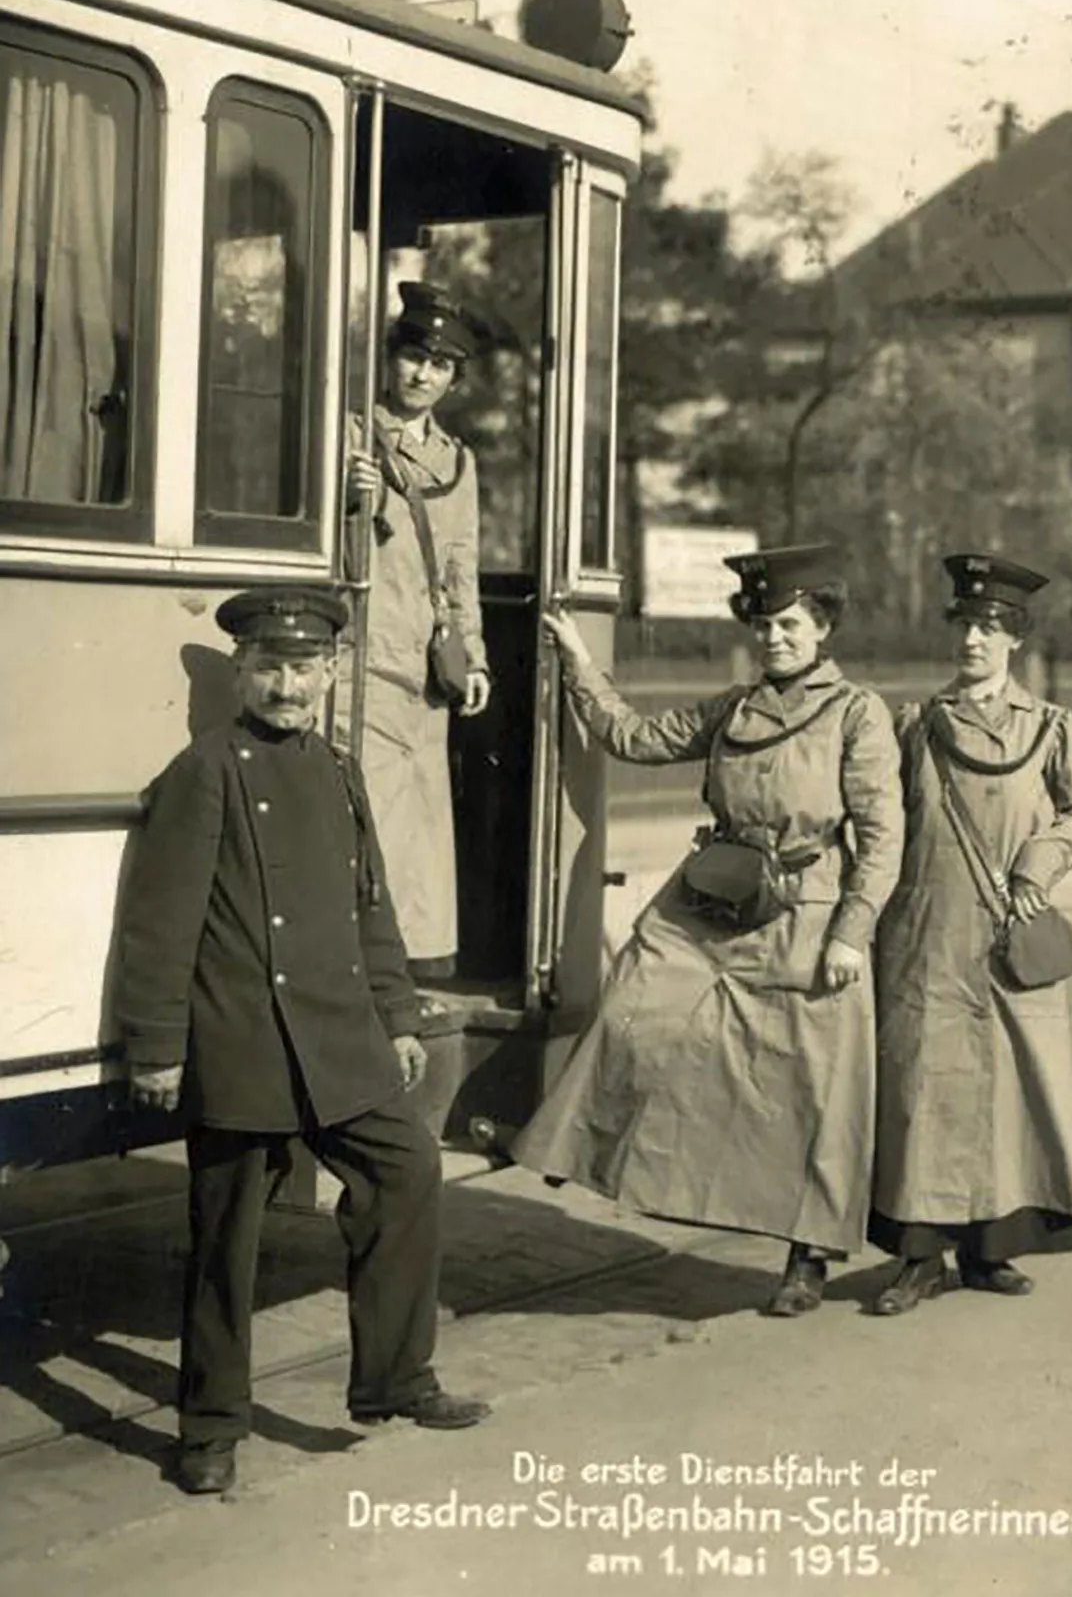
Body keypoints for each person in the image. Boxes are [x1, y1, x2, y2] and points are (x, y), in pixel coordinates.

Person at [115, 586, 489, 1498]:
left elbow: (373, 912)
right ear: (241, 671)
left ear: (330, 674)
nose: (288, 685)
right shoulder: (206, 770)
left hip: (336, 1035)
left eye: (304, 668)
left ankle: (395, 1379)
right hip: (243, 1039)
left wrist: (397, 1016)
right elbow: (160, 924)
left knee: (407, 1169)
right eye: (270, 667)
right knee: (224, 1243)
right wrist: (157, 1044)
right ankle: (209, 1429)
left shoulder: (340, 770)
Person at [512, 544, 904, 1314]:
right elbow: (632, 737)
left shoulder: (857, 713)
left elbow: (883, 837)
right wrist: (577, 662)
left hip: (806, 913)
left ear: (822, 627)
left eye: (790, 624)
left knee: (810, 1090)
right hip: (712, 901)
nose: (774, 638)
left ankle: (807, 1257)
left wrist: (851, 934)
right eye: (764, 625)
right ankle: (592, 1144)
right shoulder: (732, 709)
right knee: (633, 1007)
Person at [869, 553, 1072, 1315]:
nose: (973, 639)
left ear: (1015, 641)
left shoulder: (1052, 728)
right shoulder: (914, 725)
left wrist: (1039, 864)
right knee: (922, 1092)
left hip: (1007, 939)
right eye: (965, 624)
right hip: (926, 938)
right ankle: (920, 1258)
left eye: (990, 627)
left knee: (1007, 1093)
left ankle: (988, 1251)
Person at [345, 282, 489, 982]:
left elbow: (461, 570)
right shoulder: (347, 436)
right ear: (391, 358)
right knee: (370, 821)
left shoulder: (459, 463)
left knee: (422, 829)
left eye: (439, 366)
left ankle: (414, 972)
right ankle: (368, 971)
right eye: (412, 357)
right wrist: (351, 499)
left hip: (426, 674)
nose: (421, 375)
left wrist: (476, 658)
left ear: (454, 379)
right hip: (361, 662)